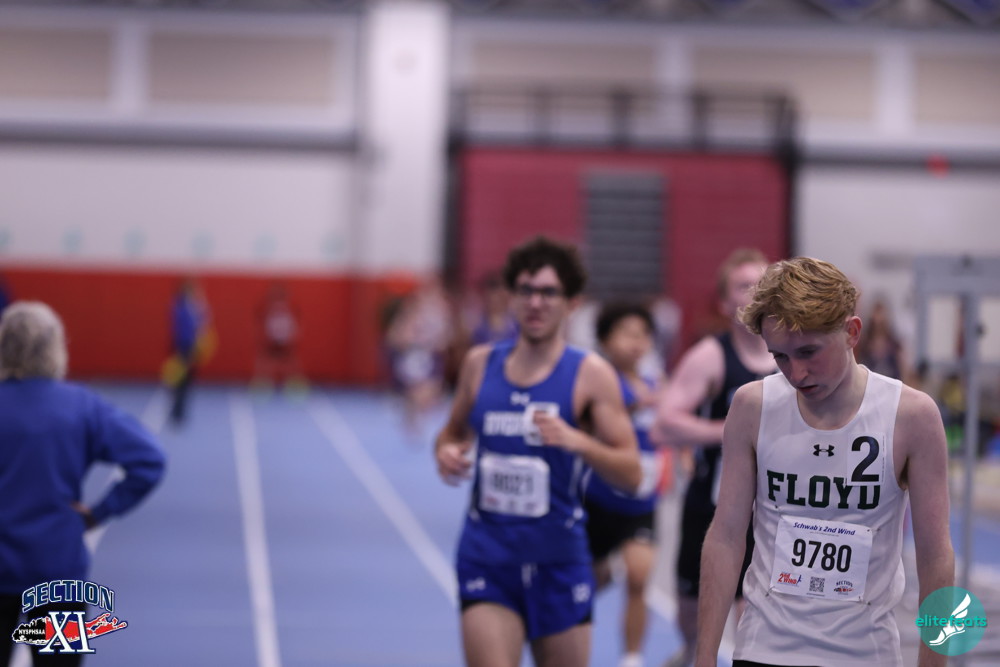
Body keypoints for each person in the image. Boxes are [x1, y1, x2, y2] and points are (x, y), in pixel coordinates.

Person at [695, 257, 954, 667]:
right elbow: (726, 536)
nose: (796, 373)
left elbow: (936, 554)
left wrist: (935, 662)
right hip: (764, 649)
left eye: (809, 352)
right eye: (780, 356)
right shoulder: (752, 406)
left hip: (865, 655)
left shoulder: (912, 416)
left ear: (852, 332)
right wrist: (705, 656)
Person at [434, 236, 642, 667]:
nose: (535, 302)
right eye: (526, 290)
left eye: (548, 292)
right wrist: (447, 453)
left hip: (559, 562)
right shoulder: (479, 365)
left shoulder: (591, 375)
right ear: (511, 297)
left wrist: (579, 441)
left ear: (572, 304)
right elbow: (450, 434)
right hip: (488, 558)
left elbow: (631, 473)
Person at [0, 302, 166, 666]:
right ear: (55, 348)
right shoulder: (80, 406)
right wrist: (99, 512)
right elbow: (149, 459)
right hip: (58, 574)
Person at [654, 248, 775, 667]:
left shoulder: (795, 356)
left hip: (773, 513)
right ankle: (689, 652)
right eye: (743, 286)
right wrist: (727, 431)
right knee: (693, 614)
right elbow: (663, 424)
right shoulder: (711, 356)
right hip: (712, 505)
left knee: (754, 618)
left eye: (761, 284)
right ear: (725, 303)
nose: (754, 293)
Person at [584, 301, 666, 667]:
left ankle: (632, 658)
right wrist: (637, 405)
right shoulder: (598, 381)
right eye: (627, 334)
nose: (636, 342)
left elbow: (665, 427)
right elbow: (591, 422)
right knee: (586, 584)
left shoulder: (655, 382)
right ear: (605, 340)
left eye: (643, 334)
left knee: (639, 576)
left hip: (641, 501)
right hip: (598, 500)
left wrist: (680, 454)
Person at [166, 278, 211, 425]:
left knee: (187, 382)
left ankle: (180, 411)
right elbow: (181, 330)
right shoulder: (180, 306)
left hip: (190, 347)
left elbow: (202, 323)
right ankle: (176, 411)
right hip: (183, 347)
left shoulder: (192, 306)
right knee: (180, 381)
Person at [252, 283, 307, 395]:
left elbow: (294, 325)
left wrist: (292, 337)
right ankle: (262, 386)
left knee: (291, 363)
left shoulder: (289, 310)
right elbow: (264, 324)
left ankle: (296, 386)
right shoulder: (269, 310)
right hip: (272, 339)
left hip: (285, 339)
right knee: (265, 362)